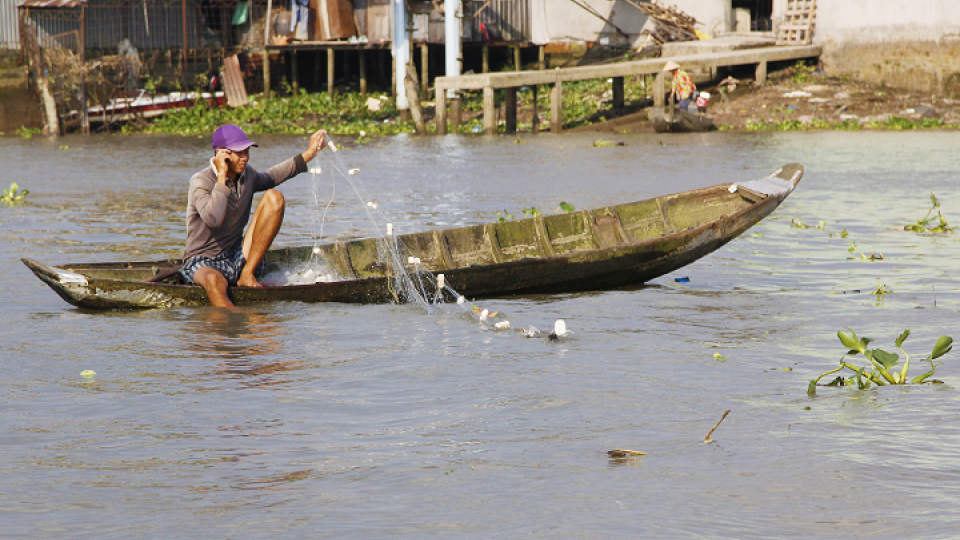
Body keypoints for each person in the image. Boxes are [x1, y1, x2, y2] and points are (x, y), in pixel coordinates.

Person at [180, 124, 327, 308]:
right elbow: (214, 220)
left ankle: (247, 274)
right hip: (204, 261)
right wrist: (221, 177)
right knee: (213, 282)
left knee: (274, 197)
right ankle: (236, 323)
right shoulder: (201, 181)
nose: (246, 158)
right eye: (239, 153)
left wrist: (310, 152)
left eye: (247, 151)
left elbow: (273, 176)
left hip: (237, 254)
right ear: (222, 154)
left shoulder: (247, 175)